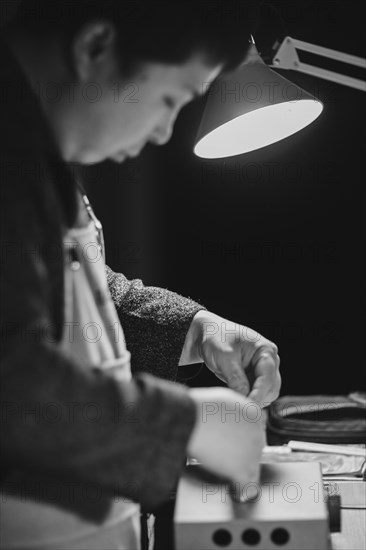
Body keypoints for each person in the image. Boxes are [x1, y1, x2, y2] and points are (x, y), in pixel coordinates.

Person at [0, 1, 281, 549]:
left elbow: (83, 297)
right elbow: (13, 385)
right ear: (95, 48)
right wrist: (185, 424)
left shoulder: (39, 153)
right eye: (172, 99)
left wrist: (199, 330)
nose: (162, 133)